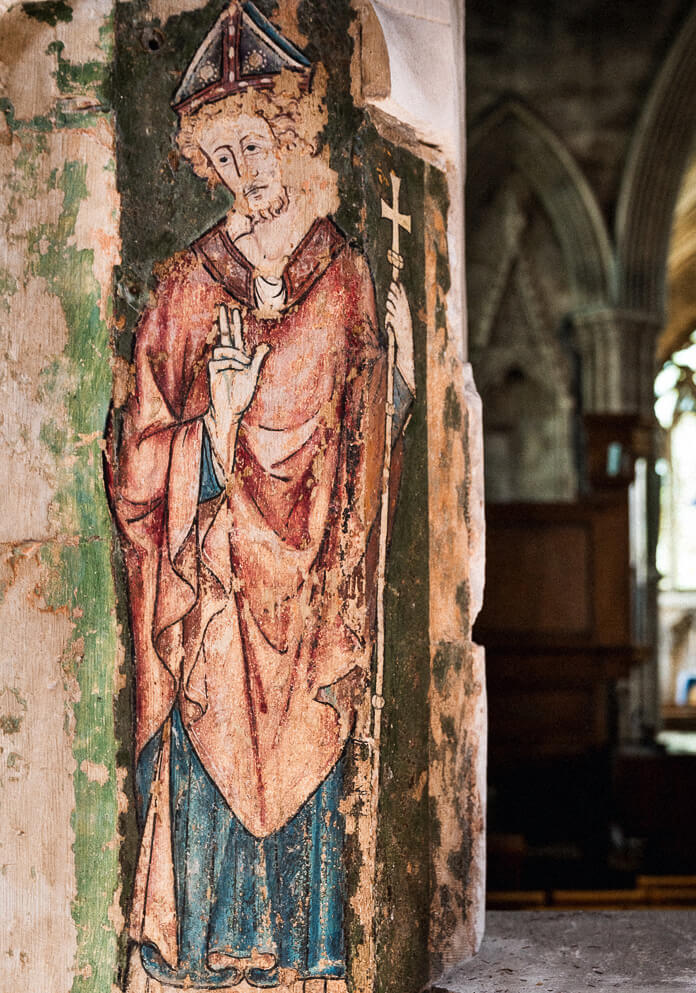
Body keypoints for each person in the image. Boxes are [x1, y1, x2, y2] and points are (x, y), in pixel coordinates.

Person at [107, 4, 414, 990]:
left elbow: (365, 438)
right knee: (208, 753)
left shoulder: (344, 278)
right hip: (217, 591)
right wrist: (219, 424)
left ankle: (306, 960)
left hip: (308, 593)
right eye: (222, 155)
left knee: (307, 763)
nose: (244, 169)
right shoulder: (185, 289)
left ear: (289, 136)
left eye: (255, 143)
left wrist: (392, 400)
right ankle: (206, 959)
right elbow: (138, 467)